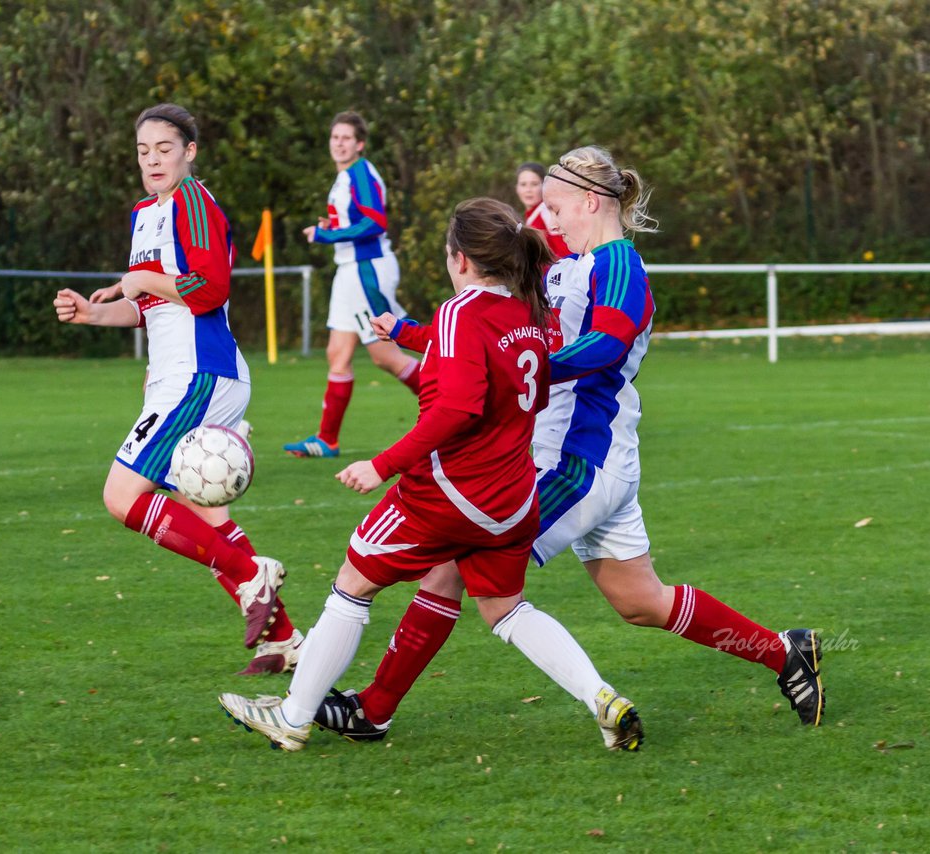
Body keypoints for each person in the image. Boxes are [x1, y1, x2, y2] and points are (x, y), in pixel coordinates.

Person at [309, 146, 825, 743]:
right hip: (596, 463)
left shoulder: (620, 266)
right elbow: (496, 336)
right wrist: (412, 334)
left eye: (555, 208)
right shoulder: (562, 265)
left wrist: (531, 368)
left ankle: (372, 709)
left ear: (590, 201)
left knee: (451, 565)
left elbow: (605, 345)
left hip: (579, 461)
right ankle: (785, 653)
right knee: (642, 601)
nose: (547, 221)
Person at [218, 198, 643, 752]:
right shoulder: (527, 314)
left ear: (459, 259)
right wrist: (406, 331)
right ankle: (602, 697)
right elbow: (478, 353)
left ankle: (293, 717)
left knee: (352, 582)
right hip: (513, 500)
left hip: (448, 491)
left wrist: (381, 465)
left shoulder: (461, 313)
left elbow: (456, 409)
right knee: (506, 609)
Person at [53, 103, 302, 672]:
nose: (153, 160)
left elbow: (208, 290)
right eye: (143, 152)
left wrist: (142, 279)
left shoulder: (194, 201)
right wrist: (93, 314)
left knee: (121, 497)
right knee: (205, 516)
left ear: (189, 152)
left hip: (200, 374)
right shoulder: (144, 213)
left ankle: (250, 574)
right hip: (180, 376)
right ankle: (284, 639)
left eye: (165, 149)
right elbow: (150, 310)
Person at [283, 111, 421, 459]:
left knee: (386, 355)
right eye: (335, 137)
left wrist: (327, 234)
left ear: (359, 144)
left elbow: (375, 223)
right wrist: (334, 225)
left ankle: (454, 410)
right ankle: (326, 440)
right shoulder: (347, 176)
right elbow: (357, 219)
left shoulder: (360, 173)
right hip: (350, 271)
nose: (339, 143)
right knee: (337, 354)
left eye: (346, 138)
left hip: (365, 271)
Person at [515, 161, 570, 258]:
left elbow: (565, 252)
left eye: (534, 184)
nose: (528, 190)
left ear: (544, 186)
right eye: (523, 184)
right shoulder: (532, 216)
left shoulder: (547, 212)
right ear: (517, 188)